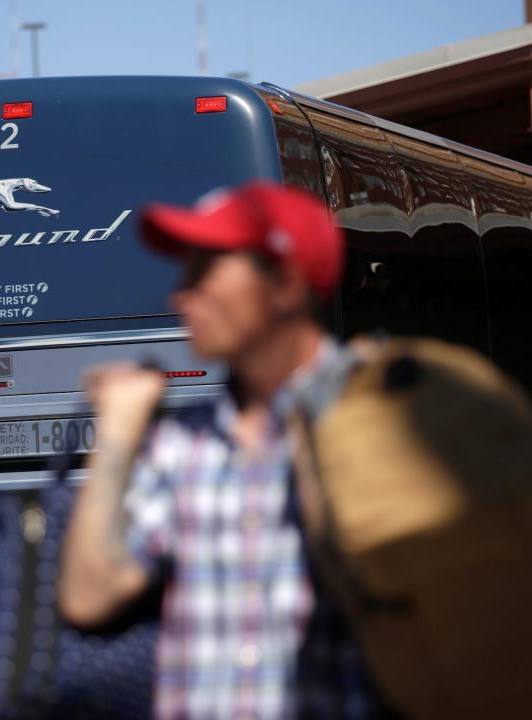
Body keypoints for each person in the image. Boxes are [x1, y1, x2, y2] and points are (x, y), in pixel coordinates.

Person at [59, 182, 389, 719]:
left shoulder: (380, 416)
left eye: (203, 271)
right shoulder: (181, 443)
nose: (180, 295)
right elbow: (89, 595)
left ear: (284, 285)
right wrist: (116, 437)